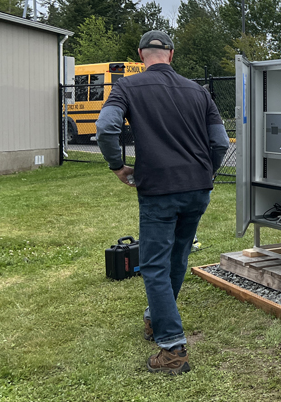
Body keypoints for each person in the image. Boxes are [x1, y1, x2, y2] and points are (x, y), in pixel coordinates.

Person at [97, 30, 230, 374]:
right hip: (198, 188)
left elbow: (106, 128)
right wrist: (206, 172)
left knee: (155, 265)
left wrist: (117, 166)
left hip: (158, 190)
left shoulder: (126, 87)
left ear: (141, 54)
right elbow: (219, 142)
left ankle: (172, 348)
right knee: (177, 257)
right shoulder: (198, 91)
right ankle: (154, 318)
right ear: (171, 54)